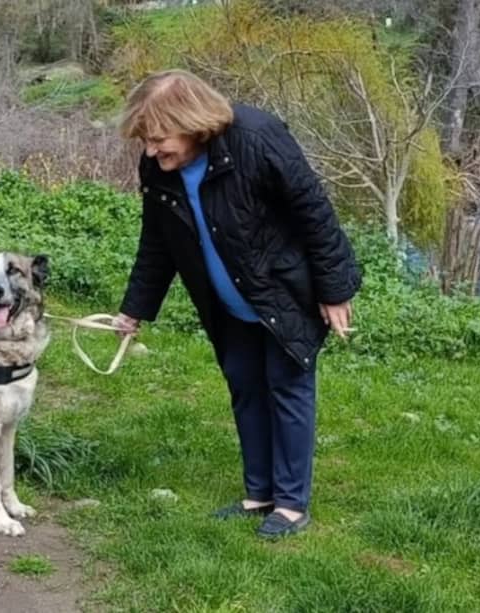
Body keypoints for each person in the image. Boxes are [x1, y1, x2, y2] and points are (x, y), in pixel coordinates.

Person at [112, 69, 362, 539]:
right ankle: (259, 493)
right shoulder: (158, 167)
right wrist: (134, 310)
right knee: (246, 386)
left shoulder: (258, 138)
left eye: (159, 139)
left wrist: (334, 290)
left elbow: (315, 212)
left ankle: (290, 504)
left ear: (192, 122)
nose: (150, 151)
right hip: (225, 299)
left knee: (287, 386)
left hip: (283, 291)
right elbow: (157, 242)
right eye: (146, 141)